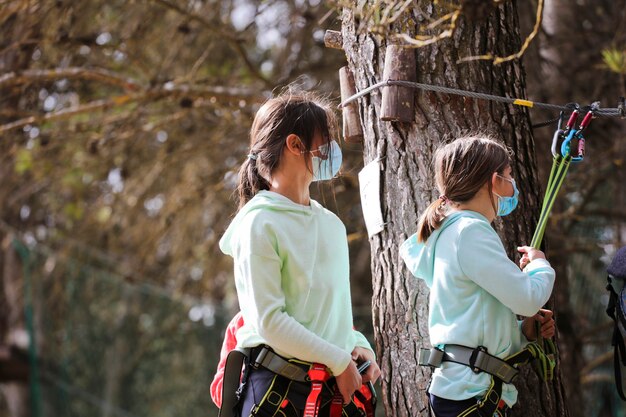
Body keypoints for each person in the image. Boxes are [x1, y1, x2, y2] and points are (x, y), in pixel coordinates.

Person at [218, 90, 381, 417]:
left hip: (331, 393)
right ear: (295, 144)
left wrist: (356, 345)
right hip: (278, 395)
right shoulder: (259, 224)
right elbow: (270, 322)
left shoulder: (332, 225)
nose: (333, 148)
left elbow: (325, 312)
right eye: (326, 138)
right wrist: (337, 360)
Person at [399, 135, 556, 417]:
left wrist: (524, 331)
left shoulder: (452, 232)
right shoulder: (470, 232)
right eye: (509, 175)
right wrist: (539, 266)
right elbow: (528, 298)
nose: (512, 184)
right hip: (471, 394)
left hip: (464, 391)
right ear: (494, 180)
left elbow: (476, 317)